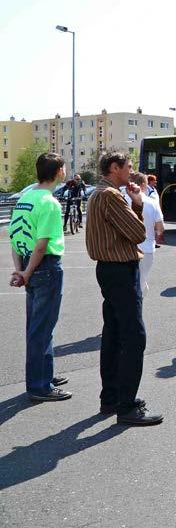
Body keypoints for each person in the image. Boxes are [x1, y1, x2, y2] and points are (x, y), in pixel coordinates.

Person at [86, 151, 162, 425]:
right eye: (128, 167)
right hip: (120, 268)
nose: (131, 171)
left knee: (114, 334)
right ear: (114, 167)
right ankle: (127, 405)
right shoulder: (111, 196)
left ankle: (112, 397)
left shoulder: (98, 193)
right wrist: (138, 202)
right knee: (133, 336)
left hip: (108, 269)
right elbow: (139, 233)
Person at [10, 152, 71, 402]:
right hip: (44, 266)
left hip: (28, 264)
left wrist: (21, 270)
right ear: (58, 172)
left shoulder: (25, 199)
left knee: (38, 325)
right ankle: (39, 385)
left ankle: (45, 373)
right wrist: (28, 271)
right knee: (42, 328)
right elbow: (42, 244)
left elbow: (15, 238)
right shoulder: (49, 202)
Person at [124, 172, 163, 295]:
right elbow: (160, 228)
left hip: (125, 250)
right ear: (142, 185)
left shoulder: (121, 200)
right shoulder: (152, 203)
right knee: (140, 284)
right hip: (146, 249)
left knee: (128, 285)